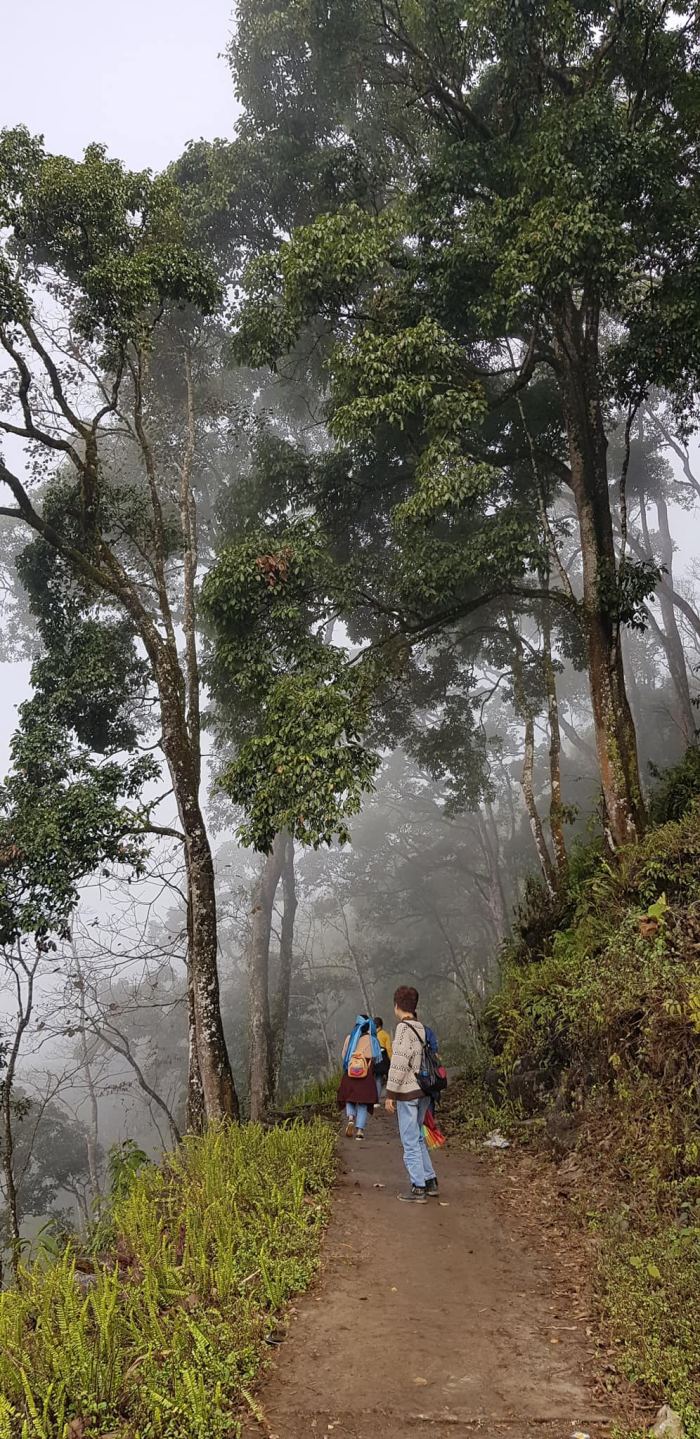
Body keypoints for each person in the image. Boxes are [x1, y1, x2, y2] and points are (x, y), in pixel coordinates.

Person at [384, 986, 439, 1203]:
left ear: (397, 1006)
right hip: (425, 1090)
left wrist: (390, 1094)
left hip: (408, 1092)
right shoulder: (421, 1028)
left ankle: (418, 1188)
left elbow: (398, 1063)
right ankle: (430, 1180)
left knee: (409, 1140)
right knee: (417, 1136)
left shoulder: (404, 1030)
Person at [337, 1015, 381, 1140]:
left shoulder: (350, 1038)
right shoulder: (372, 1040)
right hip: (366, 1075)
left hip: (351, 1074)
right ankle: (360, 1131)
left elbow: (343, 1055)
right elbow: (376, 1058)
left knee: (349, 1097)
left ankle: (351, 1117)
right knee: (363, 1102)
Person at [373, 1016, 393, 1102]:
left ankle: (376, 1100)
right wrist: (392, 1060)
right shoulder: (385, 1035)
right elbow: (388, 1049)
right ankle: (391, 1097)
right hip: (384, 1058)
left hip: (374, 1058)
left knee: (378, 1078)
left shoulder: (372, 1036)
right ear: (381, 1025)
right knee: (390, 1077)